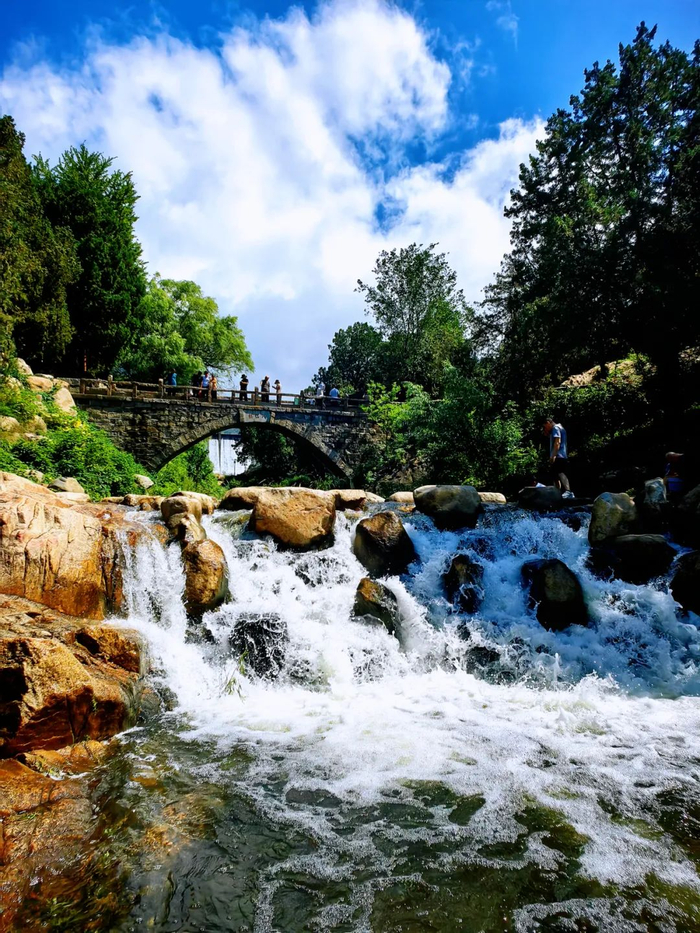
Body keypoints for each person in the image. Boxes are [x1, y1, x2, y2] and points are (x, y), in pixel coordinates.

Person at [543, 417, 574, 498]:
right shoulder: (560, 427)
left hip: (559, 455)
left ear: (548, 423)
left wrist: (553, 456)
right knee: (555, 475)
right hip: (559, 455)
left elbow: (557, 442)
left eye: (545, 426)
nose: (545, 428)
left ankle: (568, 491)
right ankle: (557, 494)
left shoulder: (555, 428)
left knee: (560, 472)